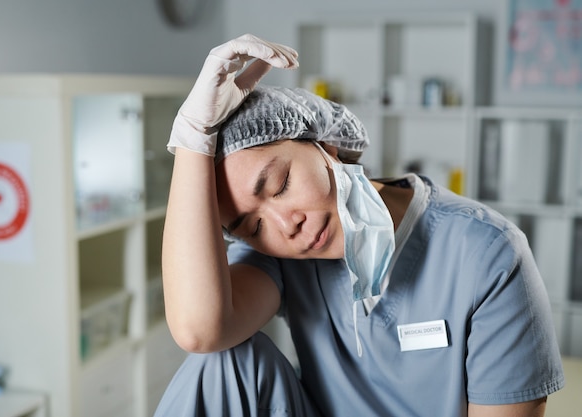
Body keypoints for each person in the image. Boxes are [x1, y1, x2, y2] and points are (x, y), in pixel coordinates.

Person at [155, 34, 565, 417]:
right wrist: (193, 140)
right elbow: (200, 331)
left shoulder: (485, 253)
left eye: (280, 185)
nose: (286, 225)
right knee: (226, 360)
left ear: (325, 144)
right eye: (252, 227)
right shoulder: (276, 255)